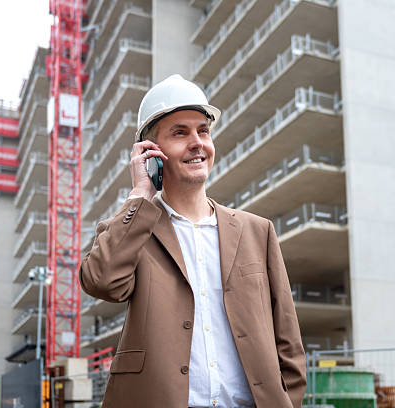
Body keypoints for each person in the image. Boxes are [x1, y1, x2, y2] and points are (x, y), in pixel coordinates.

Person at [80, 74, 306, 407]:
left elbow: (287, 337)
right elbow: (101, 282)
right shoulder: (134, 229)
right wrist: (141, 194)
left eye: (203, 130)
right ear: (152, 152)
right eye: (180, 133)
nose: (197, 142)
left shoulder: (257, 231)